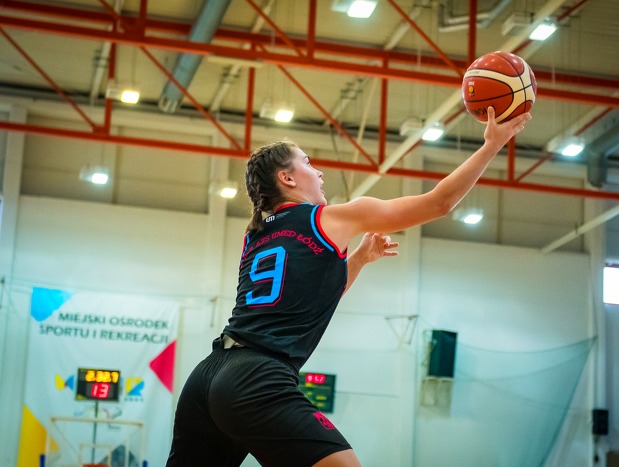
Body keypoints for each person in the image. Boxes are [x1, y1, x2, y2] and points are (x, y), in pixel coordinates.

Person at [166, 107, 531, 467]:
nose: (319, 171)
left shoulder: (256, 235)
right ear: (287, 178)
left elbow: (310, 299)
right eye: (308, 163)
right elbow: (438, 203)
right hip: (256, 377)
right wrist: (492, 145)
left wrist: (357, 259)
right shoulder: (329, 218)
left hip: (208, 375)